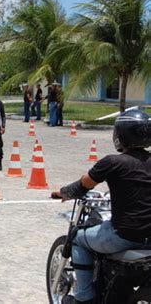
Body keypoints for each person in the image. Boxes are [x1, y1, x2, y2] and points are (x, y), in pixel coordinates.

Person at [52, 109, 151, 304]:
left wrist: (63, 193)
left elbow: (81, 187)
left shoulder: (112, 162)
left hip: (125, 237)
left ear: (121, 134)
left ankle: (83, 297)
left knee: (78, 237)